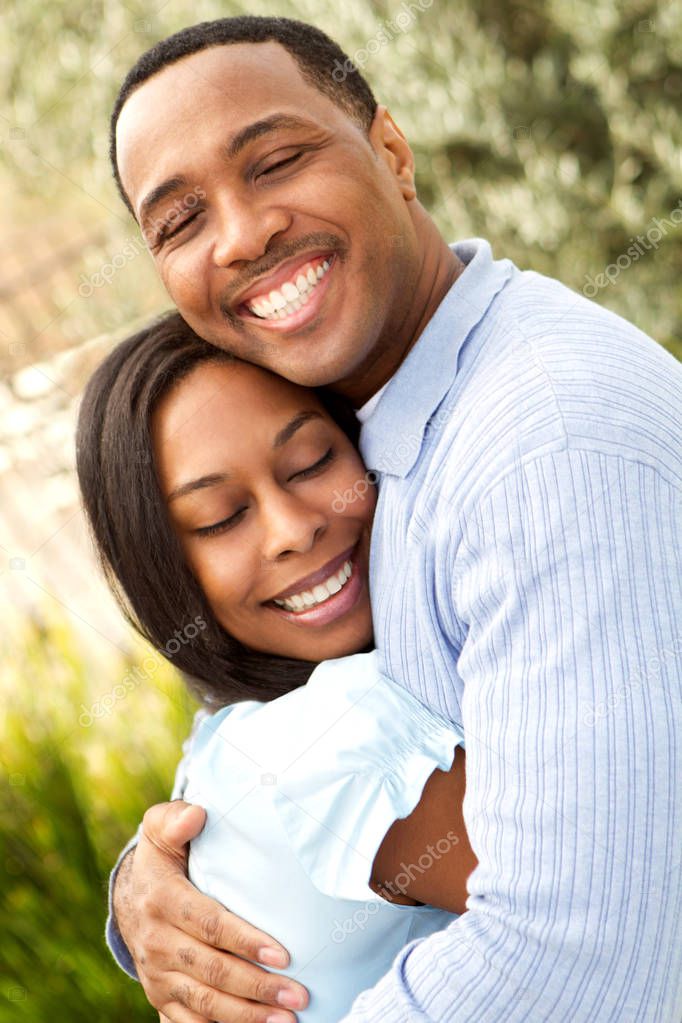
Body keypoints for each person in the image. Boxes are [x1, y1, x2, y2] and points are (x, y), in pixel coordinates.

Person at [105, 15, 682, 1023]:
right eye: (179, 221)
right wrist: (154, 884)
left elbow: (586, 958)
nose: (241, 235)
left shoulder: (541, 445)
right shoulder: (374, 421)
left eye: (277, 160)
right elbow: (291, 728)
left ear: (392, 150)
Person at [76, 312, 479, 1023]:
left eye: (311, 463)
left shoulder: (230, 736)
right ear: (166, 575)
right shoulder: (334, 732)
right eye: (222, 517)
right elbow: (619, 879)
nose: (294, 529)